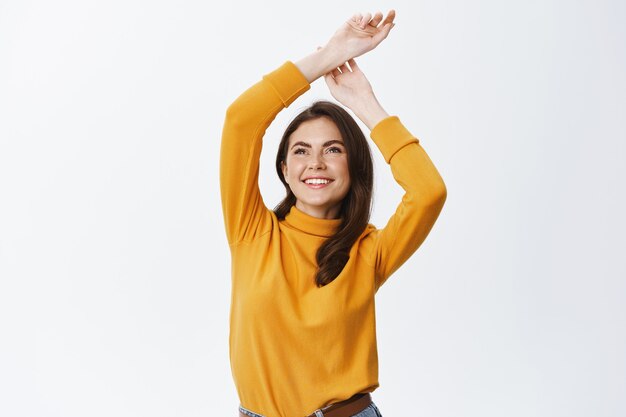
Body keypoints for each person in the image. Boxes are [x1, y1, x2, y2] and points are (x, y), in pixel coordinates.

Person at [220, 9, 447, 417]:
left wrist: (363, 101)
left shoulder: (369, 251)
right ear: (285, 171)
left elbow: (429, 192)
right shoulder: (251, 230)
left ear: (353, 166)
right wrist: (331, 56)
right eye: (301, 151)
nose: (316, 163)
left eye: (334, 150)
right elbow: (241, 121)